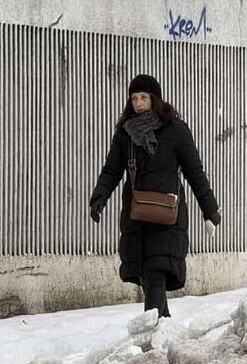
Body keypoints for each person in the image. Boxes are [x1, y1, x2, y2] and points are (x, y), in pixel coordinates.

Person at [90, 75, 220, 317]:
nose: (138, 103)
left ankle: (153, 334)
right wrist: (99, 198)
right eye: (134, 98)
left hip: (167, 215)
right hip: (137, 215)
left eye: (143, 97)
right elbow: (112, 170)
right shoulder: (125, 134)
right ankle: (163, 328)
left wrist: (210, 210)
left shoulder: (176, 130)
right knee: (147, 275)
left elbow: (195, 172)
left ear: (155, 100)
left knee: (156, 272)